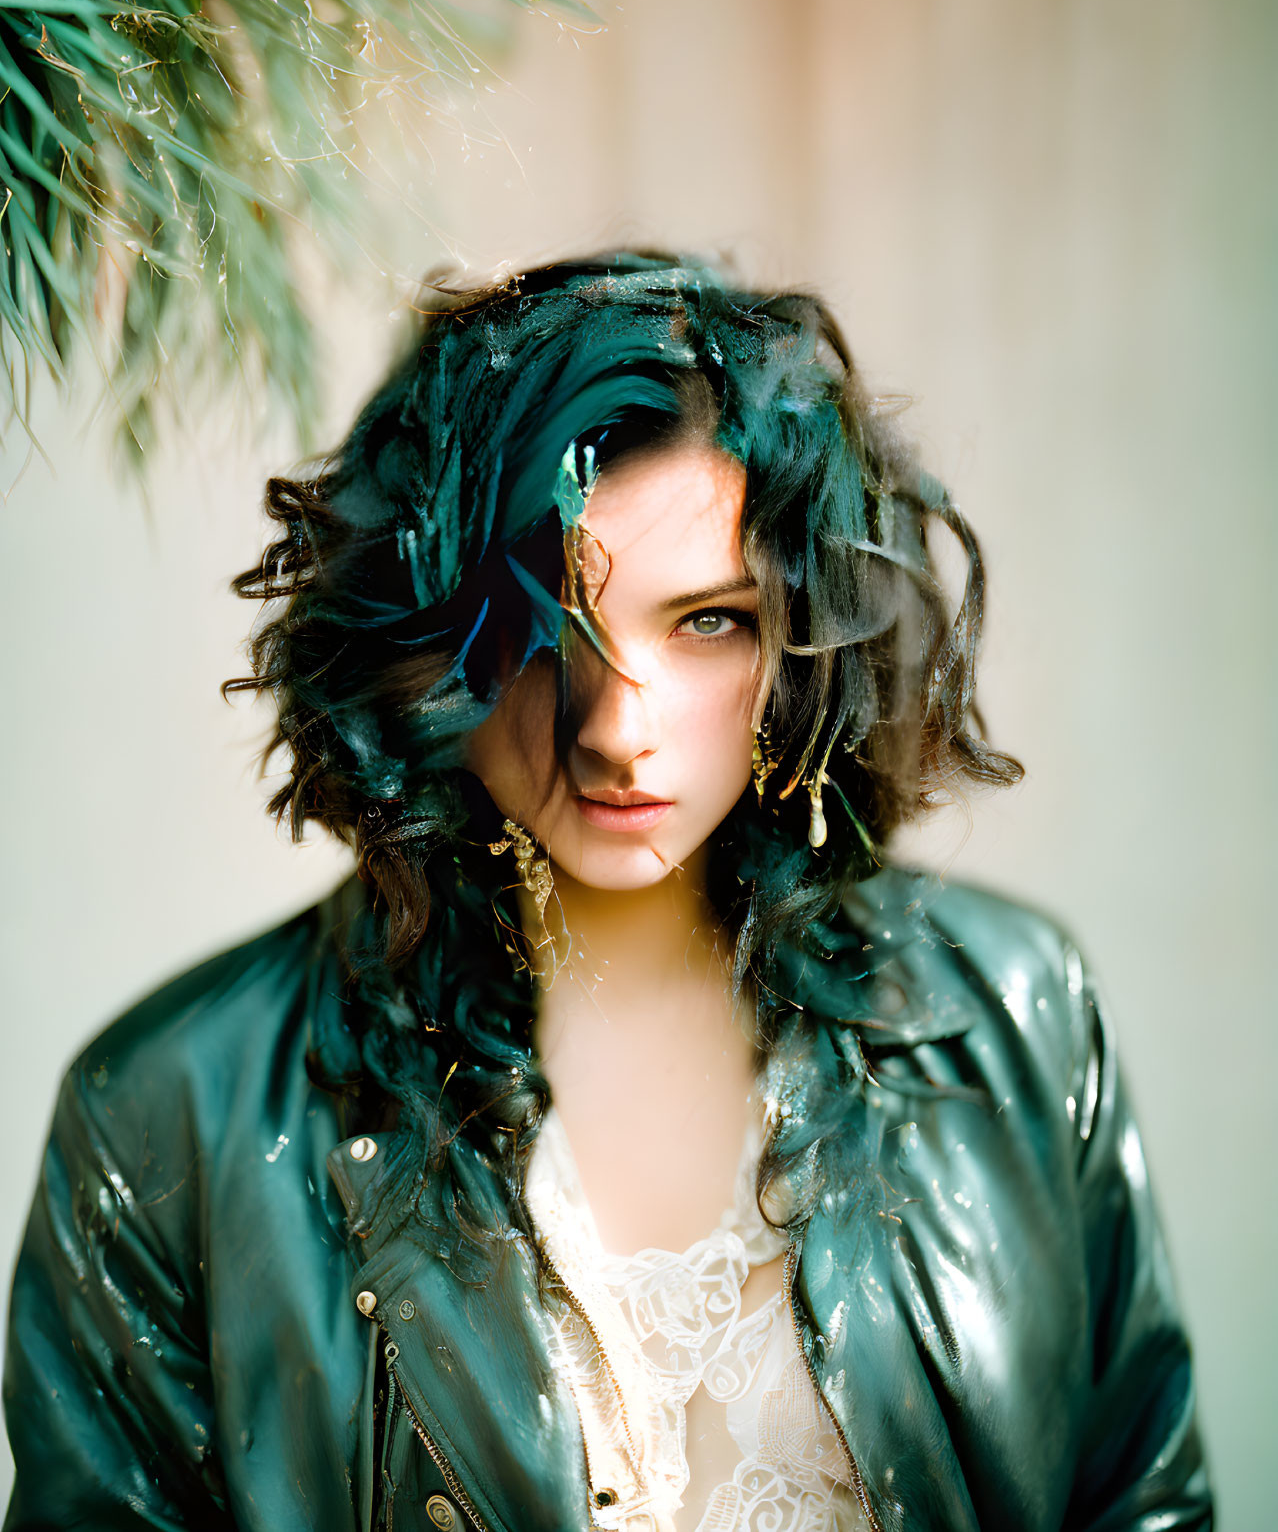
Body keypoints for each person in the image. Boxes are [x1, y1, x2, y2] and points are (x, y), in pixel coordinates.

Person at [2, 252, 1211, 1531]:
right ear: (432, 630)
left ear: (804, 632)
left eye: (707, 621)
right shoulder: (166, 1114)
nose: (618, 729)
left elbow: (1141, 1500)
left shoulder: (1019, 1014)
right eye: (546, 623)